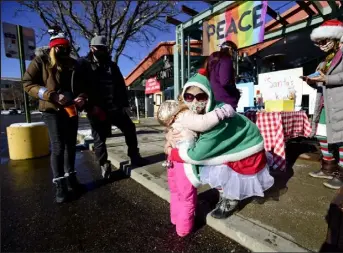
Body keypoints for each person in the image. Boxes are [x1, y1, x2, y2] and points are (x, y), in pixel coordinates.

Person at [166, 70, 274, 219]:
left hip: (246, 148)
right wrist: (170, 134)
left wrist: (171, 152)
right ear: (184, 96)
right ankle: (226, 192)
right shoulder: (194, 113)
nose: (195, 102)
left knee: (219, 170)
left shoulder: (216, 120)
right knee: (214, 170)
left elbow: (196, 155)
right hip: (237, 143)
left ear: (209, 96)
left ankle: (231, 199)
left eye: (201, 96)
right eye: (189, 97)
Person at [23, 28, 88, 203]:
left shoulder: (73, 64)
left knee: (70, 146)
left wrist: (82, 97)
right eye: (59, 47)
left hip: (71, 109)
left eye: (66, 47)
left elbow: (83, 86)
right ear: (53, 48)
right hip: (51, 110)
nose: (63, 51)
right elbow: (27, 83)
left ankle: (71, 178)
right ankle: (60, 185)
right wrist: (50, 95)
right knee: (58, 146)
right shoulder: (41, 61)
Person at [157, 92, 235, 237]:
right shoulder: (184, 115)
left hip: (171, 160)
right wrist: (222, 112)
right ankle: (183, 229)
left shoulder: (173, 123)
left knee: (176, 192)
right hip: (184, 162)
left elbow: (168, 139)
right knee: (187, 197)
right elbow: (203, 123)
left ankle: (175, 219)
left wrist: (167, 141)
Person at [79, 35, 148, 179]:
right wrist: (89, 106)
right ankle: (104, 163)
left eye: (105, 49)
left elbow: (121, 86)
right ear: (91, 48)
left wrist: (124, 105)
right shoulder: (83, 64)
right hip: (97, 109)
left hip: (115, 108)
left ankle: (134, 156)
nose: (103, 51)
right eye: (99, 48)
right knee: (99, 139)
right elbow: (80, 88)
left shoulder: (112, 65)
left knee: (130, 128)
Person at [305, 20, 343, 189]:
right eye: (318, 42)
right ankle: (328, 166)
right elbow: (320, 82)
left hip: (339, 102)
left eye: (324, 41)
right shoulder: (324, 61)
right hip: (324, 103)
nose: (321, 45)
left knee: (341, 139)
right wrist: (310, 81)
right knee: (322, 135)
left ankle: (341, 174)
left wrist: (326, 78)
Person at [204, 40, 241, 110]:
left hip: (213, 102)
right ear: (230, 49)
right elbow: (225, 82)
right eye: (235, 51)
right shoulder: (226, 59)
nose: (234, 55)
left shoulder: (212, 59)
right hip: (226, 103)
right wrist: (236, 92)